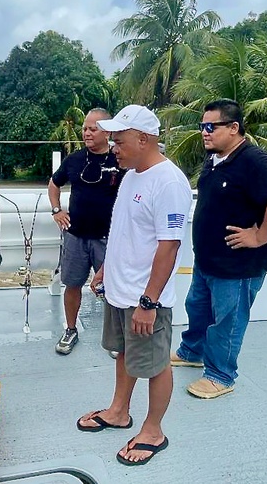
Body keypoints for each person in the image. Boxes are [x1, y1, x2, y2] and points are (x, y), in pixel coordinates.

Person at [75, 105, 192, 466]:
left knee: (156, 363)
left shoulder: (169, 182)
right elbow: (126, 231)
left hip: (145, 297)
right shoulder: (131, 175)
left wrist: (149, 301)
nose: (113, 147)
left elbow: (169, 245)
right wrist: (107, 269)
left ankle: (153, 430)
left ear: (143, 139)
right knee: (123, 352)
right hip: (120, 290)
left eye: (119, 140)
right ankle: (118, 412)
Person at [172, 99, 267, 399]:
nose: (204, 132)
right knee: (197, 309)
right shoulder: (215, 158)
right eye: (202, 127)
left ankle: (220, 375)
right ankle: (192, 351)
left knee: (227, 321)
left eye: (210, 127)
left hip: (237, 266)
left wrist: (259, 236)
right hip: (208, 261)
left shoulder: (254, 160)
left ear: (233, 128)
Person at [48, 108, 123, 355]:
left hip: (108, 238)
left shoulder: (119, 160)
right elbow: (54, 183)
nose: (87, 133)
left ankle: (116, 336)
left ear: (108, 132)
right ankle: (70, 329)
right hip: (76, 236)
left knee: (113, 287)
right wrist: (57, 210)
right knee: (72, 284)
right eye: (85, 128)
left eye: (93, 129)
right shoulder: (75, 160)